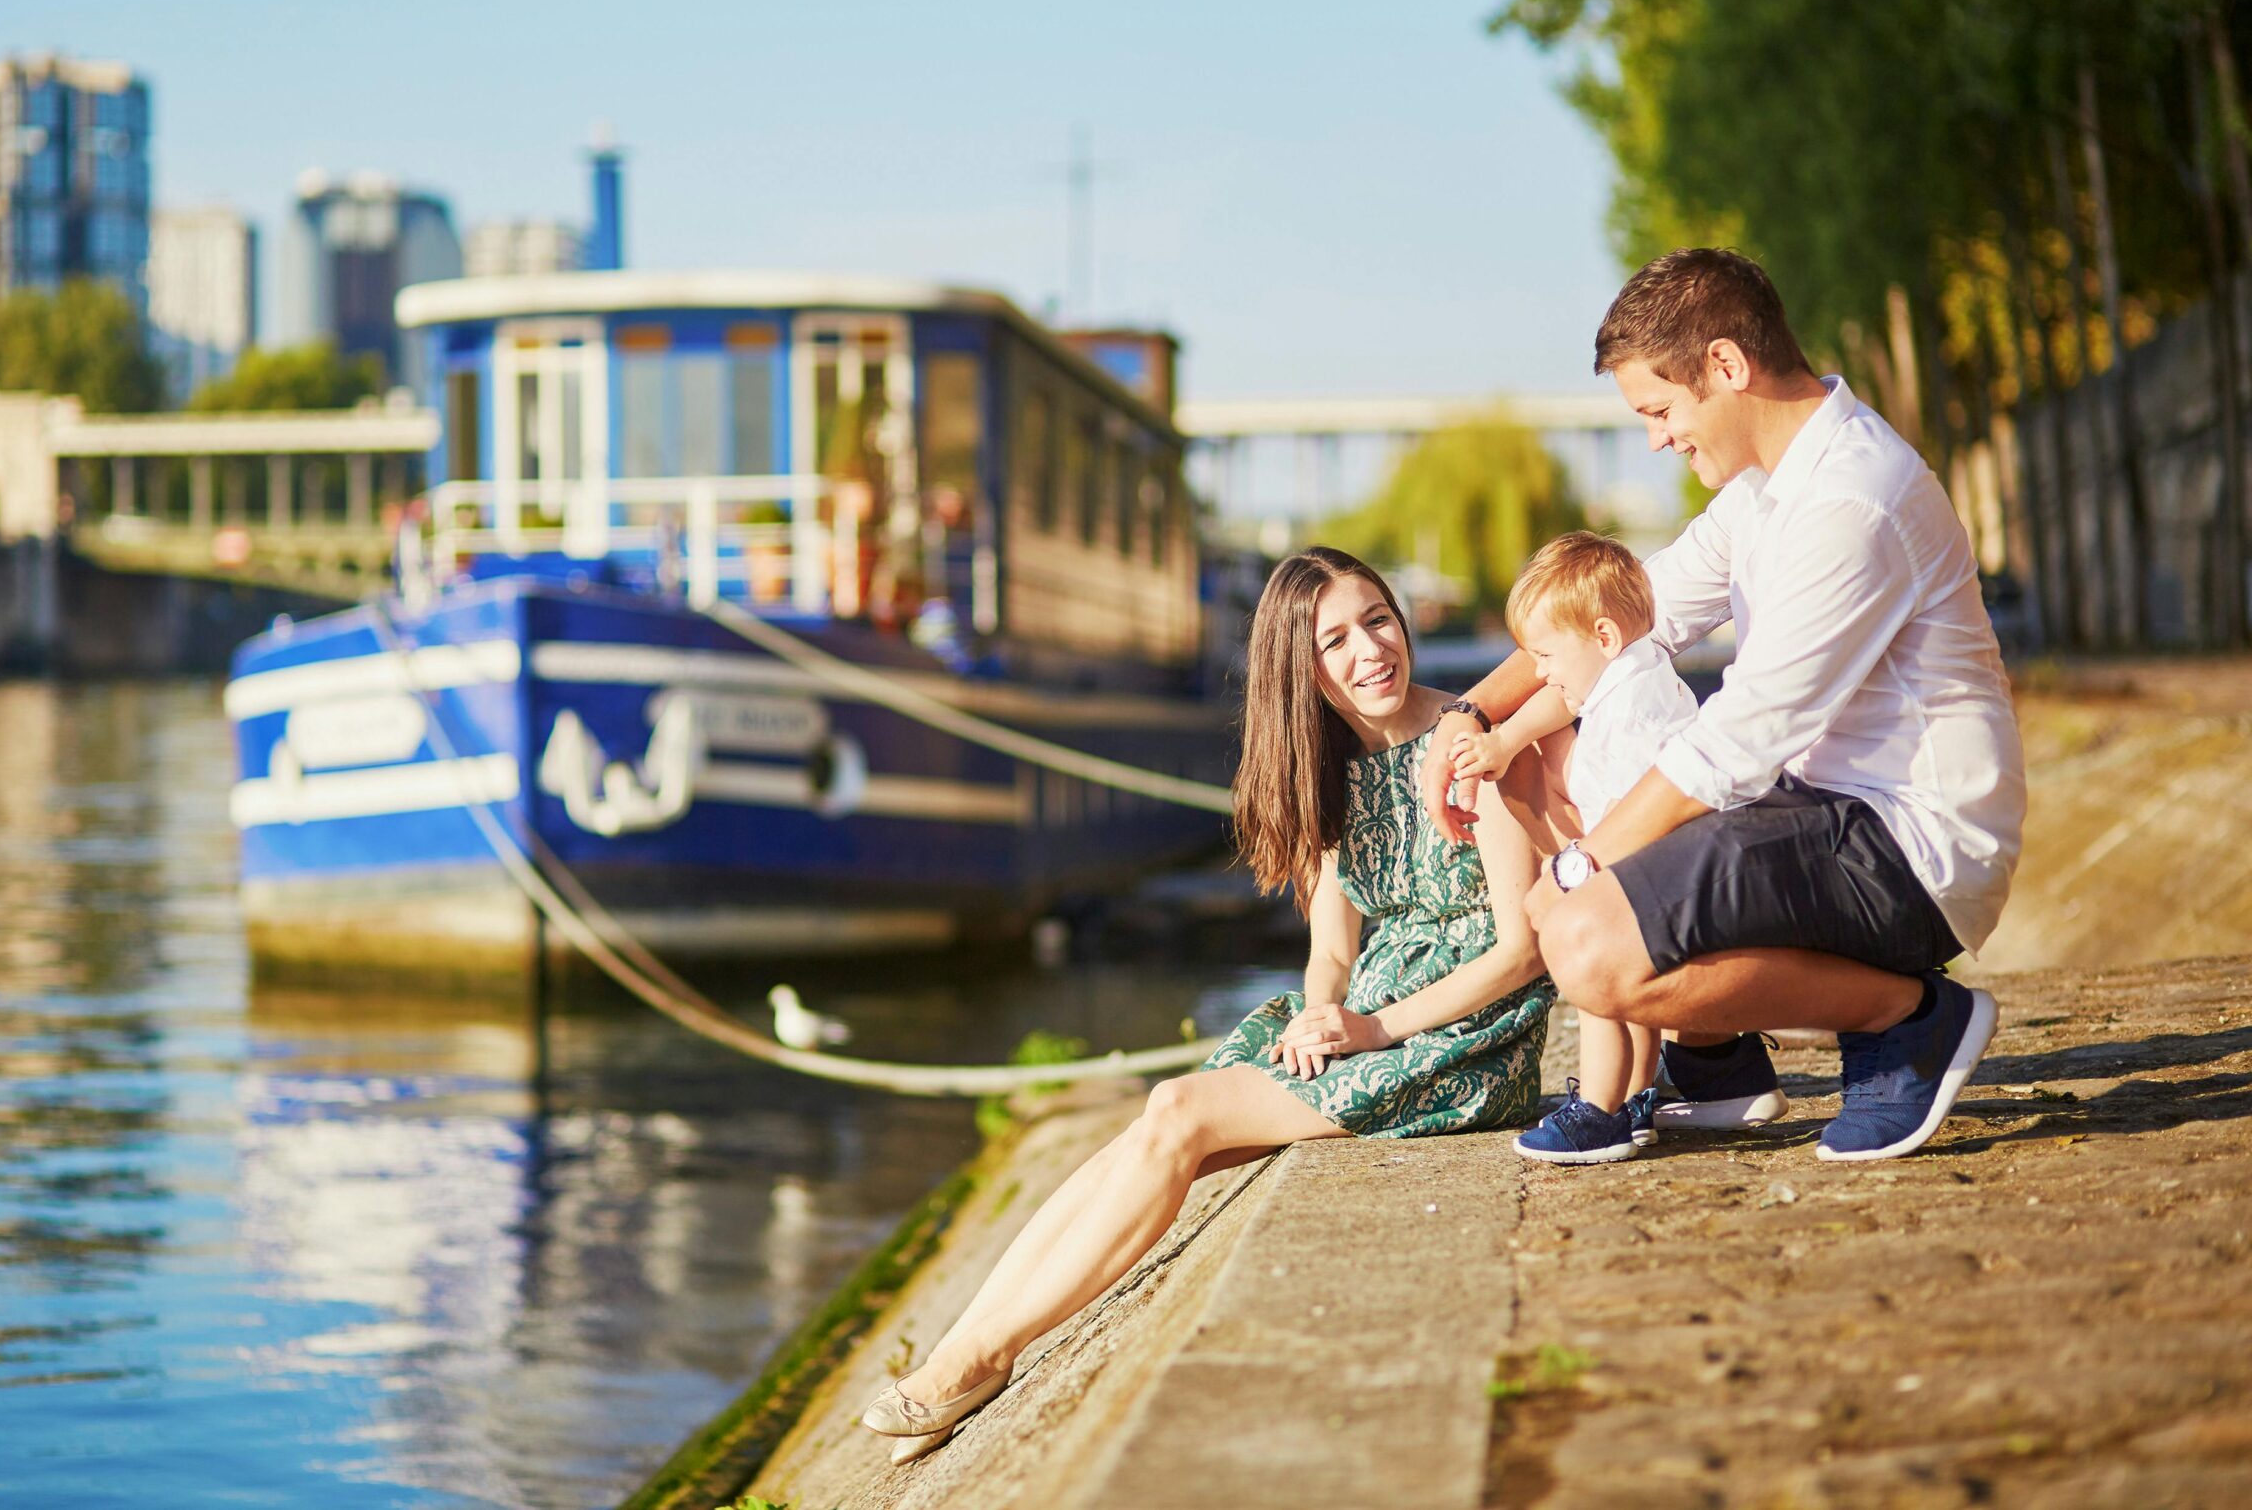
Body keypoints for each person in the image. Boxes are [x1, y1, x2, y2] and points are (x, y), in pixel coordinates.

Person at [861, 546, 1554, 1464]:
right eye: (1333, 641)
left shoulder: (1474, 747)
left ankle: (977, 1359)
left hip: (1462, 1042)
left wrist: (1371, 1028)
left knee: (1181, 1113)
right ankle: (965, 1350)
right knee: (1148, 1130)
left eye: (1377, 621)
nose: (1368, 653)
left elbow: (1521, 948)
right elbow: (1334, 946)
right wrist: (1320, 1009)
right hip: (1368, 1024)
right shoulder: (1333, 772)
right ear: (1297, 670)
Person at [1422, 248, 2026, 1163]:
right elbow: (1619, 620)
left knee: (1585, 944)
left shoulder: (1851, 501)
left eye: (1660, 411)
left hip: (1909, 842)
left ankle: (1911, 1019)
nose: (1658, 438)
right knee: (1566, 777)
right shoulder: (1763, 494)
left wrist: (1581, 868)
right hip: (1820, 811)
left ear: (1726, 367)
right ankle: (1722, 1062)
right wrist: (1469, 716)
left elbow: (1736, 743)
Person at [1449, 531, 1749, 1164]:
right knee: (1629, 996)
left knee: (1593, 979)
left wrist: (1578, 879)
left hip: (1654, 876)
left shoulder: (1634, 715)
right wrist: (1501, 744)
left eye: (1546, 654)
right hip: (1675, 876)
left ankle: (1601, 1111)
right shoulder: (1629, 680)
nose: (1540, 672)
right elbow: (1558, 701)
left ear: (1605, 639)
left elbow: (1639, 813)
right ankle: (1637, 1097)